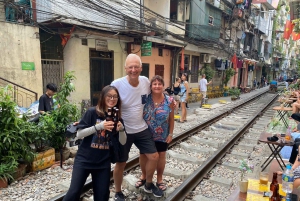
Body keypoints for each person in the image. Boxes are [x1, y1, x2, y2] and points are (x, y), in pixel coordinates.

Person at [111, 54, 163, 200]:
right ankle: (118, 191)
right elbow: (107, 101)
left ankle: (148, 183)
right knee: (121, 162)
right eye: (130, 67)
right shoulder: (117, 84)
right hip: (124, 129)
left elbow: (157, 93)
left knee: (154, 156)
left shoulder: (146, 81)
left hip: (141, 127)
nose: (133, 70)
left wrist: (170, 102)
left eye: (136, 67)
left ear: (141, 68)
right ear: (125, 68)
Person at [63, 85, 125, 201]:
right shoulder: (92, 112)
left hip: (103, 163)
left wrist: (121, 130)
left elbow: (123, 141)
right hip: (84, 160)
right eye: (109, 96)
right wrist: (100, 126)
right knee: (73, 193)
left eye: (115, 97)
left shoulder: (117, 118)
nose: (112, 99)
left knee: (102, 196)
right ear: (103, 97)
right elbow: (79, 134)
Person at [135, 75, 174, 191]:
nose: (157, 86)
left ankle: (159, 179)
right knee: (143, 155)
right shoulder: (145, 99)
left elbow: (171, 119)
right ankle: (144, 176)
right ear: (151, 86)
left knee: (161, 156)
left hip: (162, 134)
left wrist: (171, 134)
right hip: (145, 134)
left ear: (163, 86)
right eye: (154, 84)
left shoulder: (170, 100)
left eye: (159, 84)